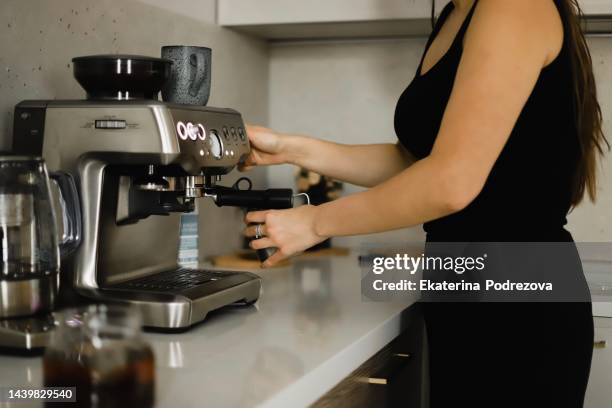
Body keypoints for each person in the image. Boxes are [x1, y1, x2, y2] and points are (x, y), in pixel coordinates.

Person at [241, 0, 608, 406]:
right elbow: (420, 163)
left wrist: (315, 224)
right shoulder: (457, 14)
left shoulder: (512, 6)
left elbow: (451, 182)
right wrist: (294, 149)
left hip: (520, 301)